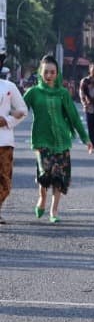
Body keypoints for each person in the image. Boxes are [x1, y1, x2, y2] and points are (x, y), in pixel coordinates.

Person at [22, 56, 93, 222]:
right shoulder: (33, 93)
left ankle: (54, 211)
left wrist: (86, 138)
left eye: (52, 72)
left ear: (57, 73)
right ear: (40, 72)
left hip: (62, 141)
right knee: (44, 173)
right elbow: (18, 109)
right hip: (41, 140)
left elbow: (74, 117)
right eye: (46, 72)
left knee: (59, 177)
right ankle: (42, 198)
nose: (49, 75)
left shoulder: (63, 94)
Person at [0, 68, 29, 223]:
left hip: (4, 141)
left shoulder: (8, 86)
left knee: (5, 182)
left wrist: (8, 120)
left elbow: (23, 110)